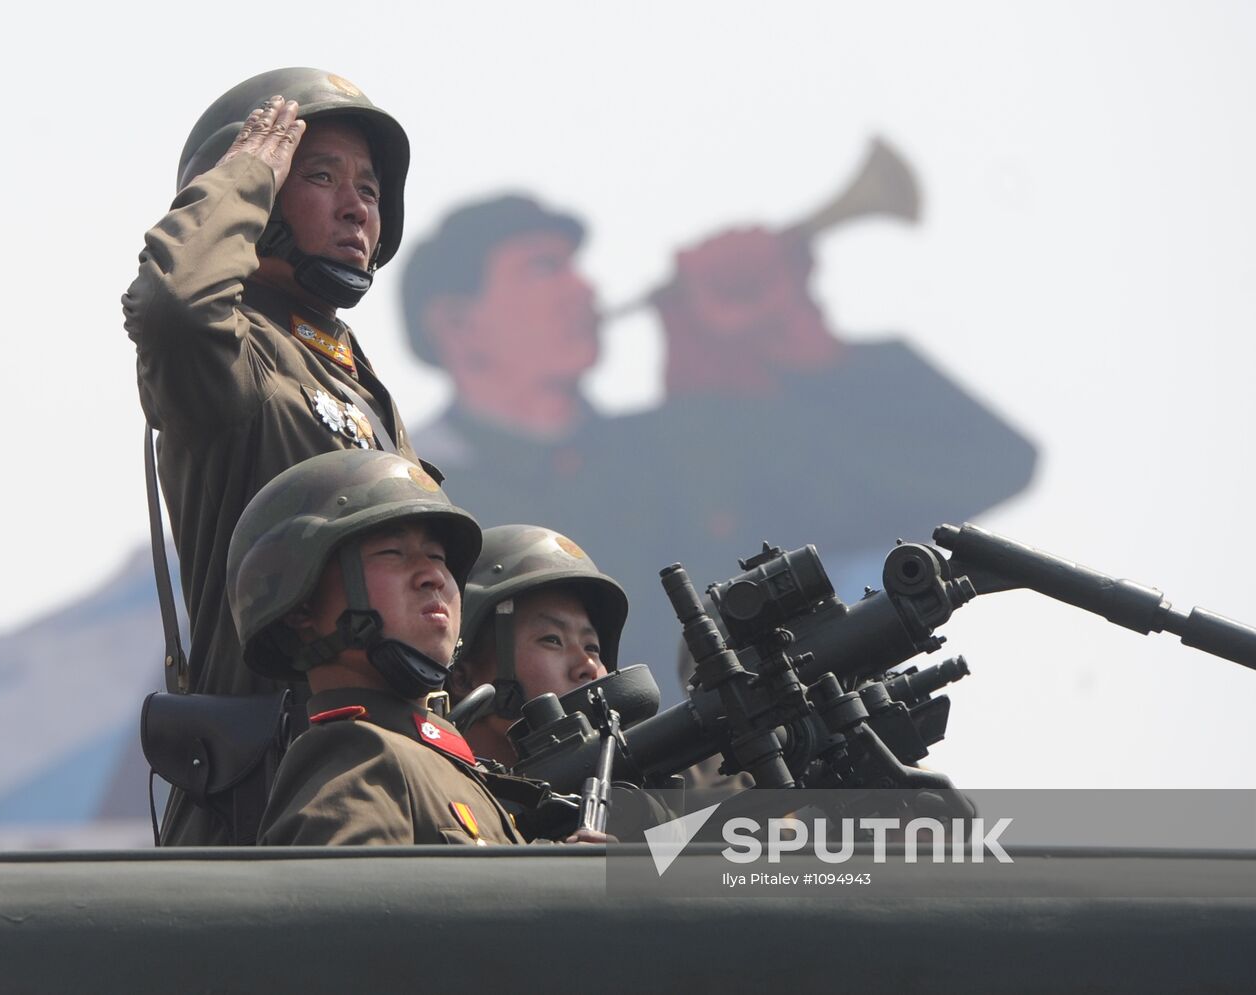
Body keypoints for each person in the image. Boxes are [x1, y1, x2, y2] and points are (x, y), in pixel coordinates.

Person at [402, 193, 1037, 697]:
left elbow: (985, 464)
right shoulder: (430, 492)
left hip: (736, 812)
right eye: (543, 269)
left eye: (575, 267)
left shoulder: (686, 443)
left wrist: (804, 344)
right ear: (457, 323)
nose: (584, 290)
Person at [124, 68, 426, 844]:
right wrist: (244, 176)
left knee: (716, 849)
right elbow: (176, 306)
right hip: (274, 798)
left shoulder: (358, 381)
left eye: (370, 186)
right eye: (319, 175)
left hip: (392, 768)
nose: (358, 204)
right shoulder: (235, 363)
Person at [229, 449, 523, 846]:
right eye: (393, 553)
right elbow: (347, 906)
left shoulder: (448, 767)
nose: (433, 575)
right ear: (301, 608)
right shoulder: (357, 755)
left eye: (438, 557)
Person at [445, 524, 628, 766]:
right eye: (552, 640)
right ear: (462, 677)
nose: (588, 666)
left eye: (592, 647)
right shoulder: (415, 790)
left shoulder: (626, 797)